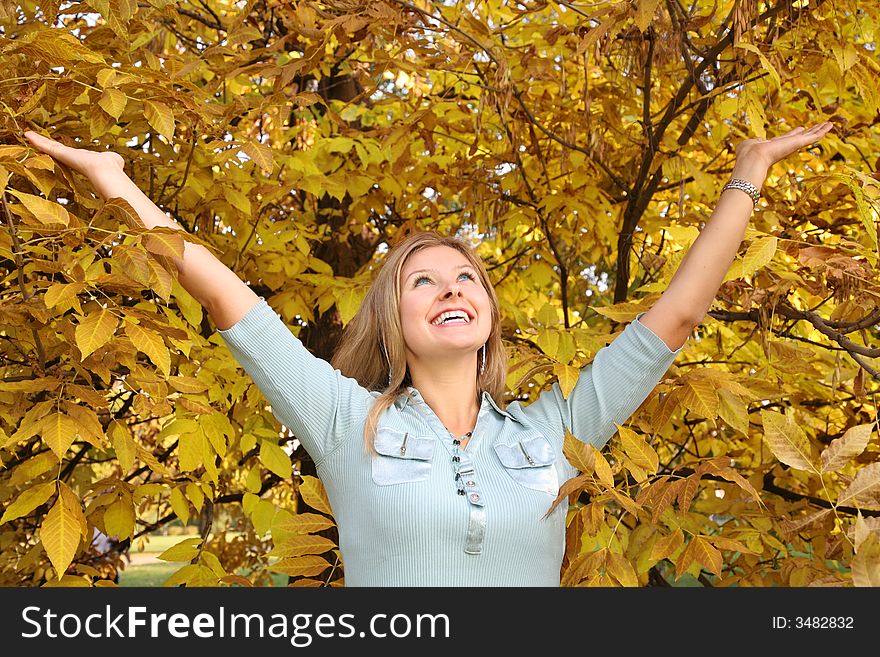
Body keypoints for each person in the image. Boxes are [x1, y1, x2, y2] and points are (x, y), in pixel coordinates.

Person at [23, 122, 832, 586]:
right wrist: (116, 185)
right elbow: (231, 300)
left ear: (487, 308)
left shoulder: (551, 430)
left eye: (466, 276)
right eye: (424, 281)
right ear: (393, 317)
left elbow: (679, 316)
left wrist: (747, 173)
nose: (450, 288)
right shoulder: (346, 420)